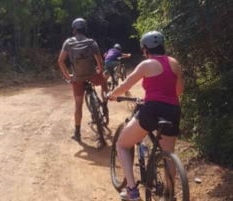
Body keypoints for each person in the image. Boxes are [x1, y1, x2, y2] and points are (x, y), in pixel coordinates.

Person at [107, 31, 184, 201]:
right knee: (168, 153)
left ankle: (132, 191)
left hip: (152, 109)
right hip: (172, 110)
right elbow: (179, 91)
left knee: (122, 144)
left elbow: (127, 84)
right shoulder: (175, 64)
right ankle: (169, 195)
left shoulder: (147, 64)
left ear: (145, 49)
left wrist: (112, 94)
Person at [58, 17, 108, 146]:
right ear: (85, 29)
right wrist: (100, 71)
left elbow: (60, 61)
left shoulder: (68, 43)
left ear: (74, 30)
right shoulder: (92, 42)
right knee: (104, 82)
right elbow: (99, 61)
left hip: (77, 78)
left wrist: (68, 76)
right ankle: (105, 102)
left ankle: (77, 133)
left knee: (78, 105)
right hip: (92, 75)